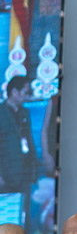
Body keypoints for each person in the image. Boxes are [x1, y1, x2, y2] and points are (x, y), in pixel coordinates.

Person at [0, 76, 37, 226]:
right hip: (6, 175)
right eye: (25, 92)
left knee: (23, 214)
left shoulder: (25, 113)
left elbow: (30, 141)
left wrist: (34, 169)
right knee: (5, 213)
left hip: (24, 172)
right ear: (14, 92)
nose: (27, 96)